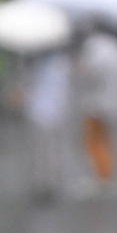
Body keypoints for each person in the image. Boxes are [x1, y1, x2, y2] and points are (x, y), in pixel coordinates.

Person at [74, 20, 117, 191]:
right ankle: (107, 173)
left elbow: (89, 74)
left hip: (96, 102)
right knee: (107, 139)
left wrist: (80, 72)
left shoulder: (95, 49)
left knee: (93, 139)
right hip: (116, 100)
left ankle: (102, 177)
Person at [24, 47, 72, 202]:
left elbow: (30, 89)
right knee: (52, 152)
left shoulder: (38, 65)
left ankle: (42, 185)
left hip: (40, 113)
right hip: (56, 113)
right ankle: (51, 184)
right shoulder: (63, 64)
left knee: (40, 152)